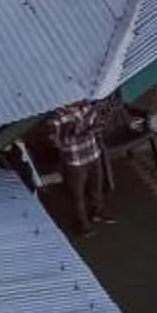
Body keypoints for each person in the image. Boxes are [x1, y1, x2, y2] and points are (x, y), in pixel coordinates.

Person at [50, 99, 112, 234]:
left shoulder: (87, 107)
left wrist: (98, 126)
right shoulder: (57, 118)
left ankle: (98, 212)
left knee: (96, 187)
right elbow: (59, 143)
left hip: (93, 154)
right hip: (75, 161)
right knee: (78, 195)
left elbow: (97, 125)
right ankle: (83, 223)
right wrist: (73, 132)